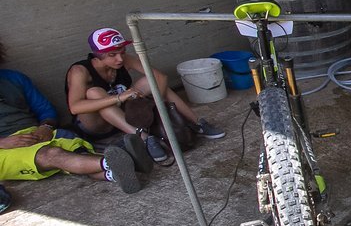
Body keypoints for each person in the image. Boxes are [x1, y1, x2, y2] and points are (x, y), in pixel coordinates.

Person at [1, 38, 142, 197]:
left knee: (78, 156)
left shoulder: (13, 78)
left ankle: (113, 174)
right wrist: (3, 142)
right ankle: (122, 161)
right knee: (52, 155)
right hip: (4, 147)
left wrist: (46, 127)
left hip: (37, 134)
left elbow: (46, 111)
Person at [65, 28, 225, 163]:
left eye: (122, 52)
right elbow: (75, 107)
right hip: (95, 124)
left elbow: (160, 77)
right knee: (94, 93)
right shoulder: (80, 71)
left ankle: (197, 124)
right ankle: (145, 138)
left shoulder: (123, 60)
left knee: (153, 82)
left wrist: (154, 108)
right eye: (112, 55)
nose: (120, 59)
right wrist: (119, 98)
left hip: (120, 113)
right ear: (98, 54)